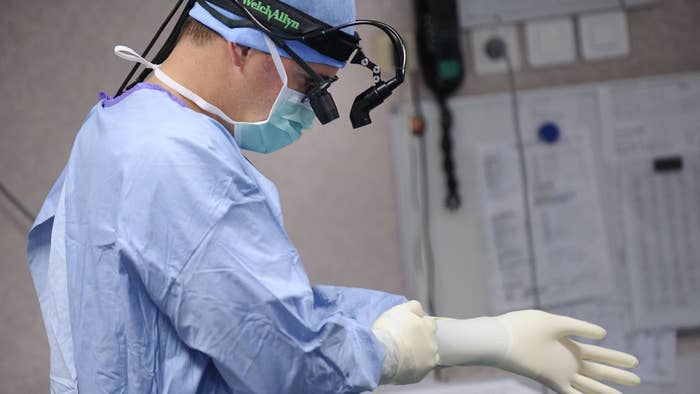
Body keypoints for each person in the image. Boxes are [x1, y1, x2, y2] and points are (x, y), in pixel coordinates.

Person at [27, 1, 641, 393]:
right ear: (242, 45)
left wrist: (471, 335)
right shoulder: (183, 162)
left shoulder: (118, 128)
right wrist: (399, 351)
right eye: (311, 85)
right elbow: (283, 358)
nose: (315, 111)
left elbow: (257, 308)